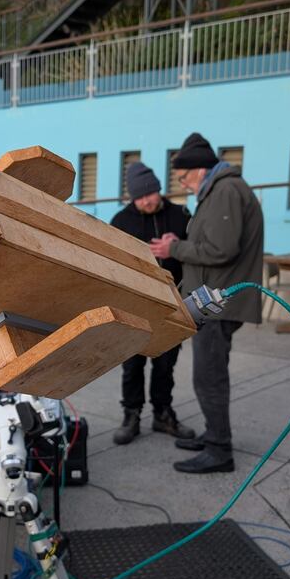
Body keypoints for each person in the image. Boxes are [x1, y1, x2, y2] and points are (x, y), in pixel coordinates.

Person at [150, 132, 264, 474]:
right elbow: (212, 240)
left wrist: (175, 249)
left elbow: (221, 250)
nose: (183, 184)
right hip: (213, 299)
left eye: (184, 177)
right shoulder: (219, 190)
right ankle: (214, 434)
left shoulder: (226, 191)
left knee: (209, 377)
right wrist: (182, 241)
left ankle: (219, 450)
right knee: (208, 375)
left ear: (199, 169)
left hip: (219, 302)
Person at [110, 161, 195, 445]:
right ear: (132, 197)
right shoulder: (121, 221)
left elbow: (197, 252)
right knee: (132, 364)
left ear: (159, 190)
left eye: (151, 194)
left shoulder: (180, 214)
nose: (147, 200)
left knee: (165, 364)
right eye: (140, 197)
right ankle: (131, 415)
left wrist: (178, 248)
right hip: (134, 304)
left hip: (173, 303)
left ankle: (162, 413)